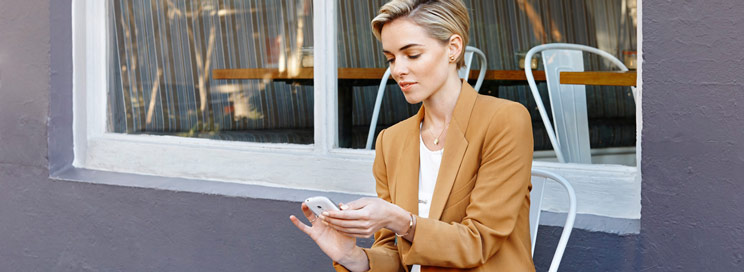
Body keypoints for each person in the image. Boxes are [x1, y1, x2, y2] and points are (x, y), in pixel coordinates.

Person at [289, 0, 534, 271]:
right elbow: (397, 254)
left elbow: (478, 242)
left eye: (413, 55)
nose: (398, 70)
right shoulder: (391, 141)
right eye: (391, 59)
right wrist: (353, 257)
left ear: (453, 48)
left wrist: (400, 220)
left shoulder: (504, 120)